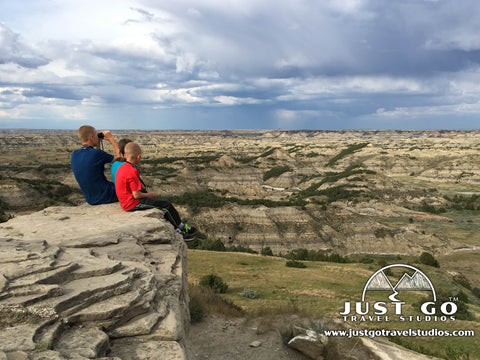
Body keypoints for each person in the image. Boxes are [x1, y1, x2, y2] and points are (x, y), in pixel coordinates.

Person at [115, 142, 197, 240]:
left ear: (125, 155)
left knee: (160, 204)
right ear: (138, 156)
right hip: (132, 203)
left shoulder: (122, 167)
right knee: (167, 206)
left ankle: (180, 227)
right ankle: (179, 230)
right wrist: (149, 194)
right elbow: (136, 195)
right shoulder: (132, 171)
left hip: (125, 201)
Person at [71, 125, 121, 205]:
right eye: (96, 135)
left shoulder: (74, 154)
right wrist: (111, 139)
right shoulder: (96, 154)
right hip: (107, 195)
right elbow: (121, 158)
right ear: (91, 137)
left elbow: (95, 158)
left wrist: (97, 143)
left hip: (91, 199)